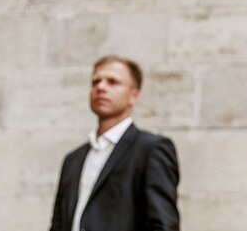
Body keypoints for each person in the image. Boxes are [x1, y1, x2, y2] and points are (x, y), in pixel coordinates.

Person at [49, 55, 179, 231]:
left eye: (113, 82)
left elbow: (163, 225)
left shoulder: (151, 149)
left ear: (133, 96)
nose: (101, 87)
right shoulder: (72, 159)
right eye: (96, 82)